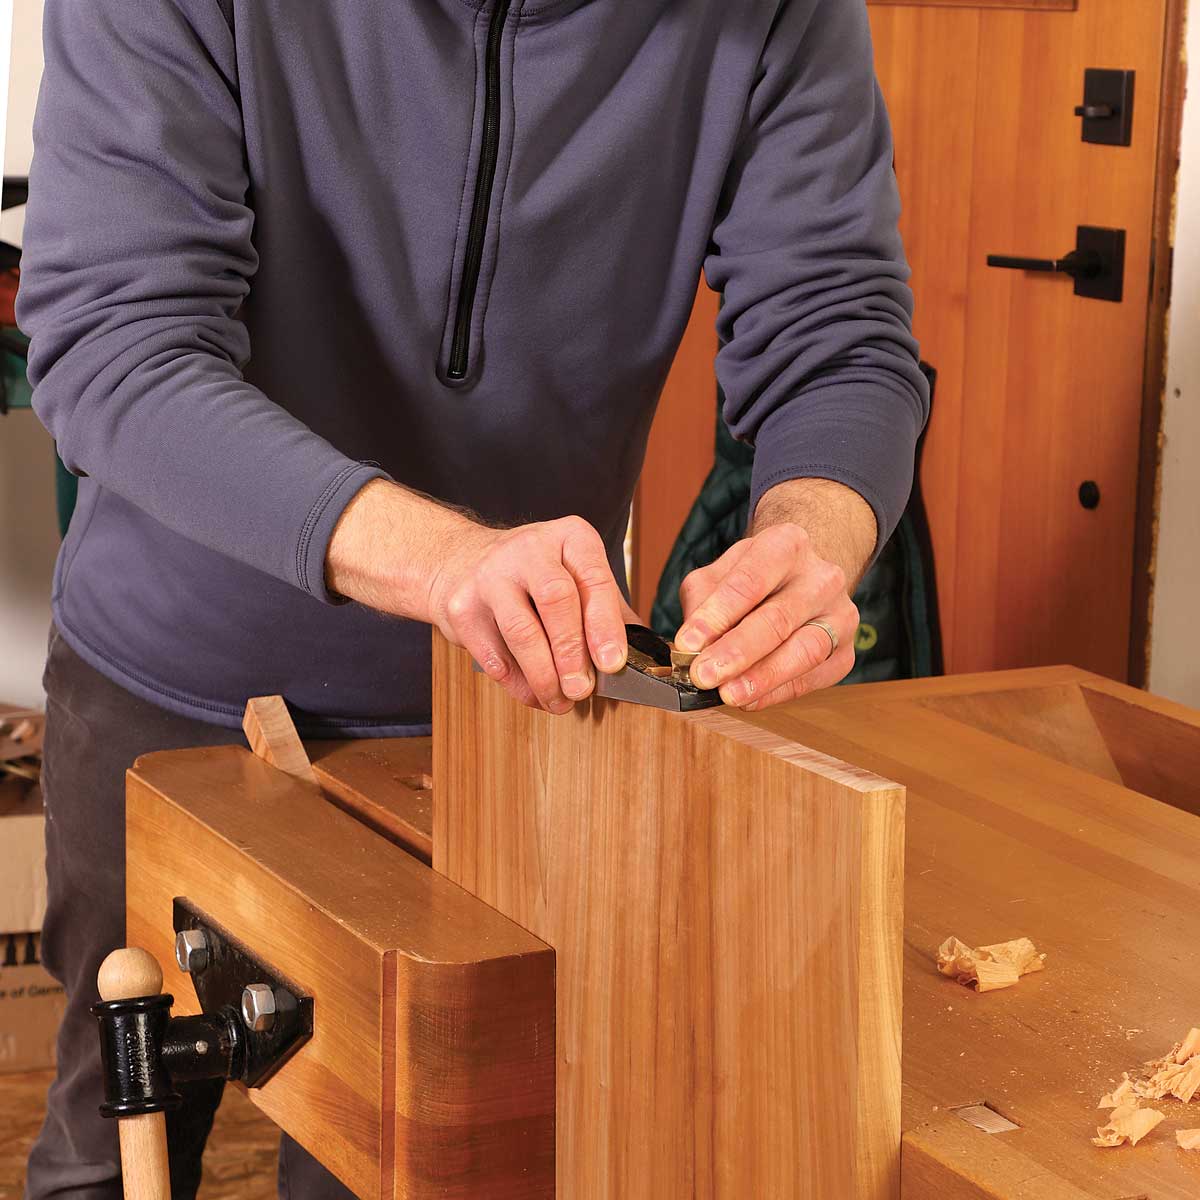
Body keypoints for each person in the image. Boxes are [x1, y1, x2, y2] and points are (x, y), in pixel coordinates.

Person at [17, 1, 928, 1196]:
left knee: (419, 1166)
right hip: (171, 693)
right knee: (110, 1150)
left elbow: (839, 331)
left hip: (506, 719)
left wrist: (814, 532)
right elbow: (116, 345)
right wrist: (445, 563)